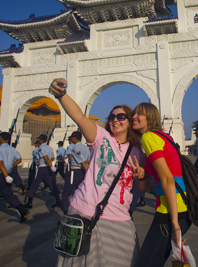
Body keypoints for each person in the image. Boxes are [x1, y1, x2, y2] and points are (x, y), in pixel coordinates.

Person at [50, 78, 144, 267]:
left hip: (119, 216)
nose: (115, 120)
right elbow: (80, 117)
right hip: (84, 211)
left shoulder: (137, 152)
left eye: (121, 117)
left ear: (130, 121)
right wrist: (61, 95)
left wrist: (141, 176)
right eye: (111, 117)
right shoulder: (100, 138)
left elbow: (144, 186)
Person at [132, 102, 192, 267]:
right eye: (134, 113)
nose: (134, 117)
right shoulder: (163, 135)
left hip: (171, 210)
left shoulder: (149, 137)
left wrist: (175, 225)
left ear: (150, 117)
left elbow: (168, 179)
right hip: (180, 205)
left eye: (140, 114)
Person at [24, 134, 61, 209]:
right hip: (48, 168)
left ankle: (29, 202)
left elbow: (46, 157)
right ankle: (58, 199)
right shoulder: (49, 148)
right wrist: (51, 166)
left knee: (34, 184)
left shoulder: (40, 148)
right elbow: (52, 158)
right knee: (51, 184)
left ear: (40, 140)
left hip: (42, 168)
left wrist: (51, 166)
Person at [61, 131, 90, 215]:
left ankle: (66, 214)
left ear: (74, 138)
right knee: (80, 193)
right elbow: (88, 159)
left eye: (71, 138)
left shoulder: (75, 148)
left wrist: (88, 173)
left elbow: (83, 162)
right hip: (81, 172)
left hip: (74, 172)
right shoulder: (85, 148)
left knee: (66, 194)